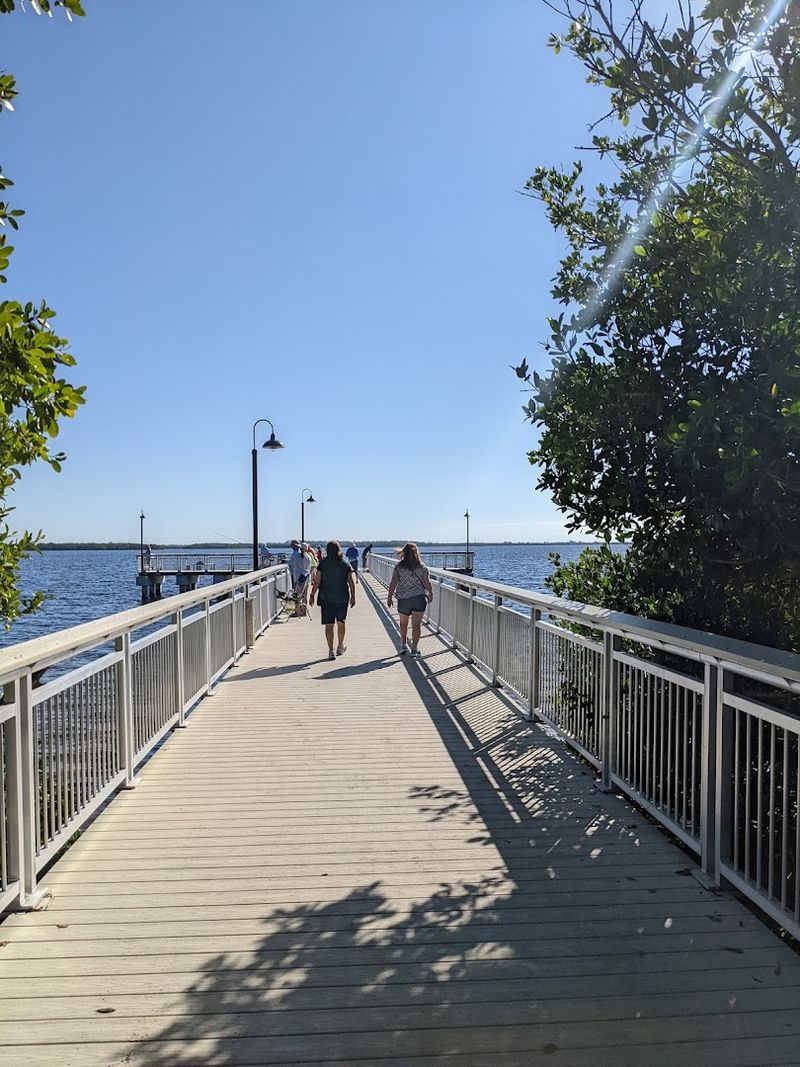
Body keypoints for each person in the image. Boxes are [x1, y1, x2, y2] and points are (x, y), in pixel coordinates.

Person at [309, 540, 356, 660]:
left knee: (329, 625)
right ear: (339, 550)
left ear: (327, 550)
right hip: (342, 598)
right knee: (341, 622)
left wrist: (312, 595)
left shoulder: (323, 564)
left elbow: (317, 581)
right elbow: (351, 581)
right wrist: (353, 596)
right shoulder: (345, 563)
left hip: (326, 598)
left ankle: (331, 651)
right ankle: (340, 646)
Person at [387, 542, 433, 657]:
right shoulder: (422, 567)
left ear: (404, 553)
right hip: (419, 598)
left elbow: (393, 582)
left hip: (403, 599)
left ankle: (403, 646)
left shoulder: (399, 567)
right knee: (416, 625)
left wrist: (389, 596)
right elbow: (428, 583)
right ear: (417, 553)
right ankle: (414, 649)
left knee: (403, 624)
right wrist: (430, 593)